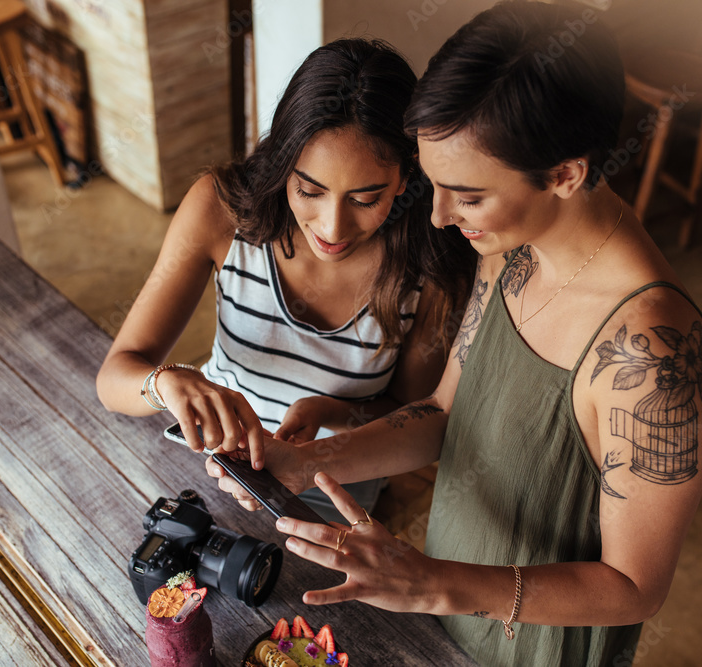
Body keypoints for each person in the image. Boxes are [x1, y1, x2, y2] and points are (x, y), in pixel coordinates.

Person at [208, 3, 702, 665]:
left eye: (467, 195)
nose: (441, 216)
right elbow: (446, 412)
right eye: (436, 185)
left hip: (534, 644)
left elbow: (634, 586)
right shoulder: (510, 250)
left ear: (566, 173)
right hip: (444, 607)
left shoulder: (651, 351)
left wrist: (429, 583)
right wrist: (308, 462)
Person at [96, 39, 475, 521]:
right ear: (283, 164)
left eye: (365, 199)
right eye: (309, 190)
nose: (332, 228)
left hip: (329, 491)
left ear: (406, 177)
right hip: (207, 470)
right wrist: (162, 383)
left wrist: (330, 413)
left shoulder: (430, 261)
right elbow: (114, 378)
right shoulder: (221, 211)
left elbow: (413, 413)